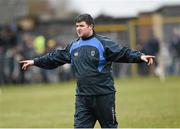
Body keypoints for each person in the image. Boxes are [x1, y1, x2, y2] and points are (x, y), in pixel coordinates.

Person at [19, 14, 155, 128]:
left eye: (81, 26)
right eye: (77, 26)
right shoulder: (73, 46)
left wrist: (140, 56)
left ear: (90, 26)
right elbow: (54, 57)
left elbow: (122, 52)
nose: (78, 28)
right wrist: (34, 61)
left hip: (103, 96)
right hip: (83, 98)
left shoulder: (102, 43)